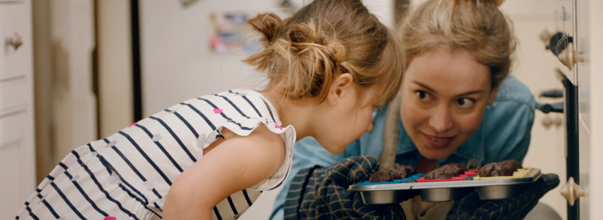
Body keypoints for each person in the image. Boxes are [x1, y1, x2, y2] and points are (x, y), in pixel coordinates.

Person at [15, 0, 404, 219]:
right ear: (340, 89)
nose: (371, 122)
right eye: (373, 107)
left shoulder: (244, 110)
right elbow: (186, 201)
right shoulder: (267, 142)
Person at [271, 0, 559, 219]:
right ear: (399, 78)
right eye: (423, 95)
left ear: (493, 92)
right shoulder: (354, 104)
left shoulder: (512, 112)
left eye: (464, 101)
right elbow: (284, 209)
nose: (439, 124)